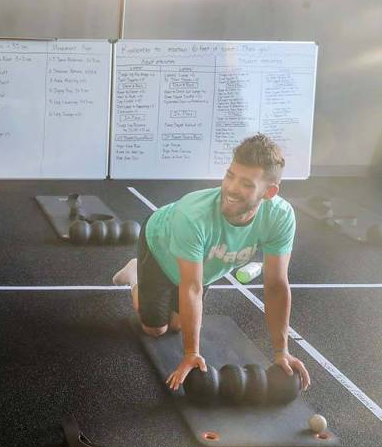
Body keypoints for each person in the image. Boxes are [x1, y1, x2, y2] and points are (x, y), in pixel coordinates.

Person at [112, 133, 311, 391]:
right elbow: (191, 287)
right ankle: (135, 274)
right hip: (160, 246)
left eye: (247, 184)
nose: (231, 188)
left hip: (202, 263)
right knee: (156, 330)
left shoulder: (280, 217)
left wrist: (281, 351)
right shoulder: (194, 216)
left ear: (269, 192)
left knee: (179, 325)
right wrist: (190, 353)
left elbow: (275, 284)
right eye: (230, 176)